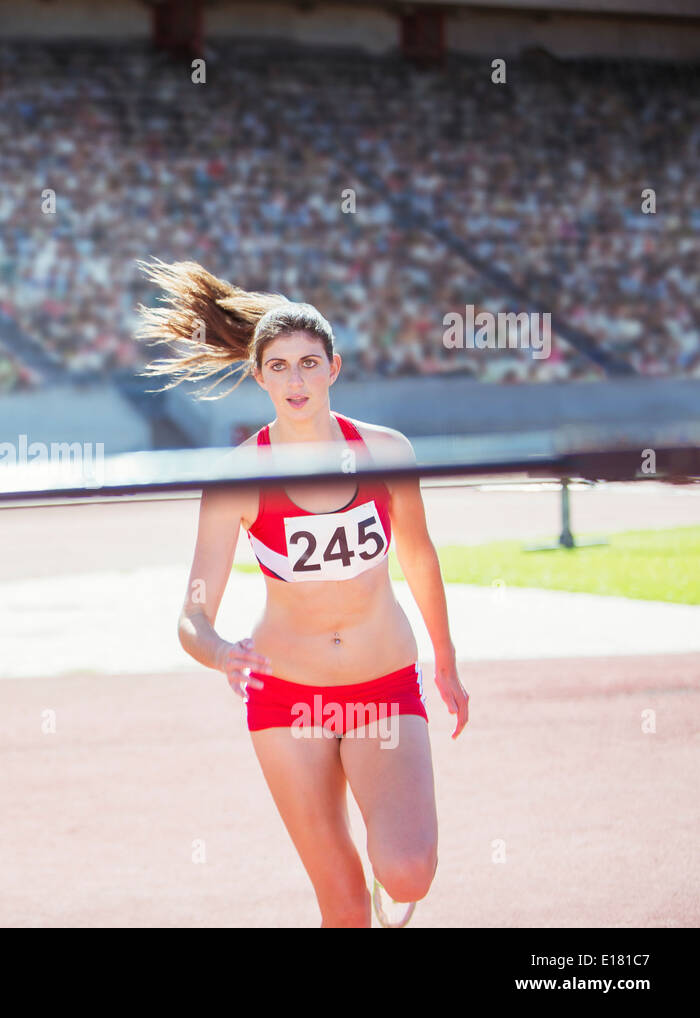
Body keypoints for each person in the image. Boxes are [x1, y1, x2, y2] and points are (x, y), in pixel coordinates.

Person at [134, 259, 469, 928]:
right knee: (341, 906)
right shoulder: (237, 480)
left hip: (383, 684)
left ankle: (387, 874)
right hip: (288, 700)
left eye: (309, 363)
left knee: (408, 870)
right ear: (259, 376)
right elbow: (191, 614)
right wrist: (221, 651)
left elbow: (420, 557)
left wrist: (447, 662)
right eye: (280, 365)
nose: (296, 379)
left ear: (334, 369)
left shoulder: (386, 452)